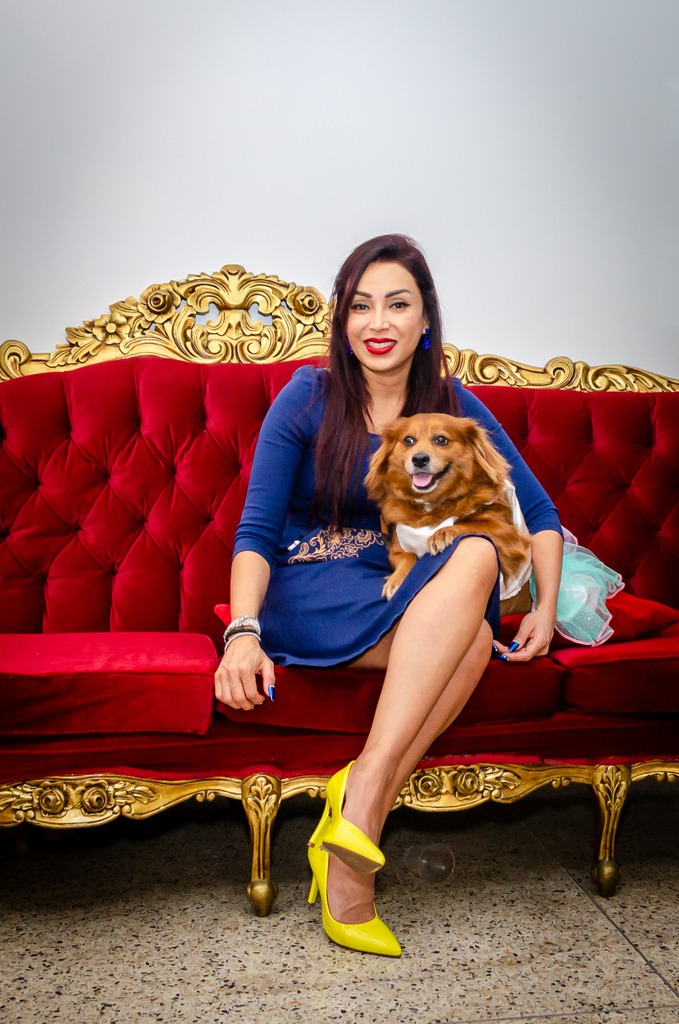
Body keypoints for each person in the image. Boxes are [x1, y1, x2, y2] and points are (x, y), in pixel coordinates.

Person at [214, 234, 564, 957]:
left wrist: (544, 608)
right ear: (342, 319)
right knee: (471, 631)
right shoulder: (306, 397)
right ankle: (360, 820)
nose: (378, 322)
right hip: (309, 582)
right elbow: (255, 530)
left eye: (397, 304)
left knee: (475, 565)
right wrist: (242, 632)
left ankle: (359, 809)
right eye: (360, 305)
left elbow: (539, 512)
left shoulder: (452, 406)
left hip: (404, 581)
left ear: (424, 318)